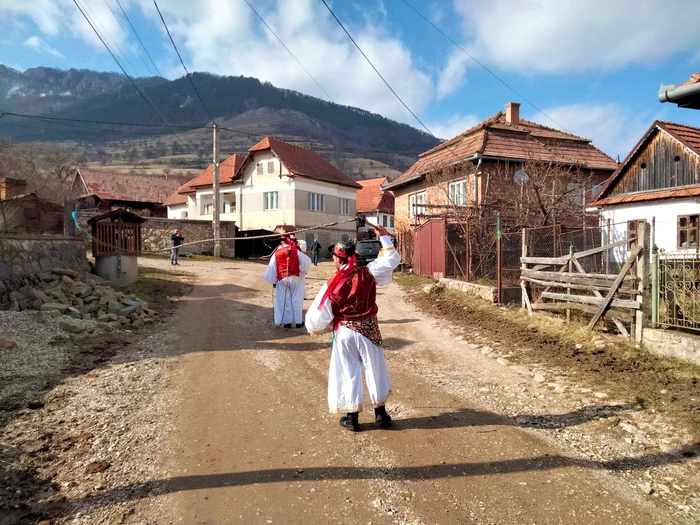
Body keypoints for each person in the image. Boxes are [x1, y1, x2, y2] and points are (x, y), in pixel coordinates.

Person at [305, 224, 400, 432]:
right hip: (369, 330)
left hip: (345, 332)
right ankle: (381, 414)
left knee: (349, 371)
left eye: (333, 258)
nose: (333, 261)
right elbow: (392, 260)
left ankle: (352, 417)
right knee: (376, 369)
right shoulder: (369, 272)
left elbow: (317, 315)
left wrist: (319, 325)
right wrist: (384, 237)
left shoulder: (331, 283)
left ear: (339, 259)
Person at [264, 234, 311, 328]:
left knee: (284, 300)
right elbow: (307, 261)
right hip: (295, 278)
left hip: (282, 279)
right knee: (297, 300)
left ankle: (287, 322)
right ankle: (298, 322)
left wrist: (273, 281)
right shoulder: (295, 251)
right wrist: (301, 271)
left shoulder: (276, 253)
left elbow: (272, 268)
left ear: (281, 242)